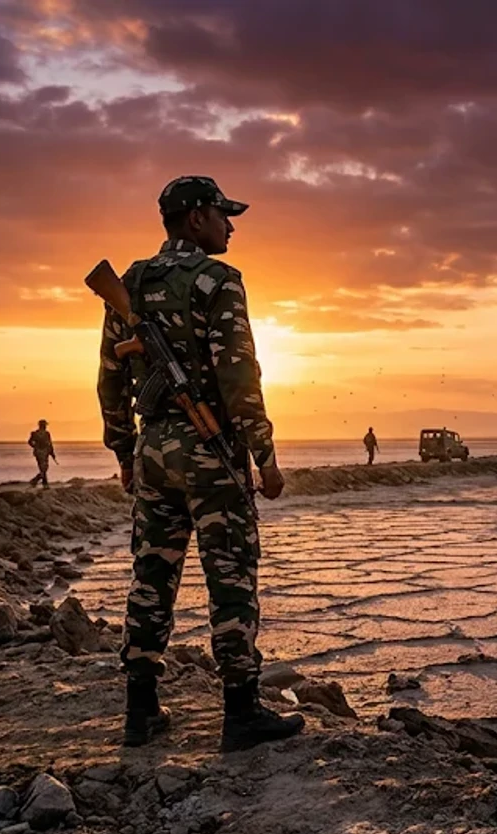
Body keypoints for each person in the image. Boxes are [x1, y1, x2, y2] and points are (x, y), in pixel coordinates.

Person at [98, 175, 303, 752]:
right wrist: (264, 454)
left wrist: (124, 452)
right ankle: (241, 713)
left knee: (151, 578)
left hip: (154, 452)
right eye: (221, 214)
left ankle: (140, 712)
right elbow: (239, 375)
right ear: (195, 219)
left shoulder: (133, 282)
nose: (229, 226)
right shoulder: (218, 279)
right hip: (210, 454)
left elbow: (110, 377)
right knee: (230, 579)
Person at [27, 420, 56, 488]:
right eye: (45, 425)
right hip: (40, 453)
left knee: (44, 468)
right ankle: (39, 482)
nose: (45, 426)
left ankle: (41, 482)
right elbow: (30, 442)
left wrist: (52, 453)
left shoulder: (46, 433)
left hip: (44, 452)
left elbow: (50, 444)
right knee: (43, 468)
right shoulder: (35, 433)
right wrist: (35, 446)